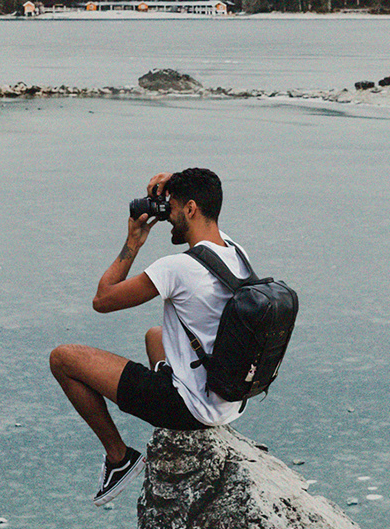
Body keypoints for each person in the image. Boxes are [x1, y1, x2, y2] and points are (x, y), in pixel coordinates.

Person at [48, 166, 254, 503]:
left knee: (63, 359)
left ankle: (118, 458)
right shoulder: (234, 251)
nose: (167, 216)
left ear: (191, 208)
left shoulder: (177, 268)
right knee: (155, 335)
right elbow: (201, 200)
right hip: (228, 400)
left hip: (190, 408)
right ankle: (171, 396)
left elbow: (102, 300)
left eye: (172, 208)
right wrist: (176, 185)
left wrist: (134, 241)